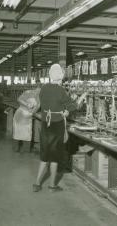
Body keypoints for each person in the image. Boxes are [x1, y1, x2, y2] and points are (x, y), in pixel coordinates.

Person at [33, 64, 86, 192]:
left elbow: (48, 104)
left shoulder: (43, 88)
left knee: (45, 155)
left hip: (46, 124)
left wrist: (62, 109)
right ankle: (52, 186)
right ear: (60, 76)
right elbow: (73, 107)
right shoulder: (61, 90)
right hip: (56, 125)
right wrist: (82, 97)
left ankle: (36, 184)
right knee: (55, 157)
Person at [12, 87, 40, 152]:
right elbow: (19, 99)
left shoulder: (40, 98)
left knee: (27, 135)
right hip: (20, 115)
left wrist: (32, 113)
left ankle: (26, 150)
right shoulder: (28, 92)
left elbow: (36, 109)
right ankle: (15, 149)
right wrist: (27, 104)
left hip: (28, 117)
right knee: (17, 133)